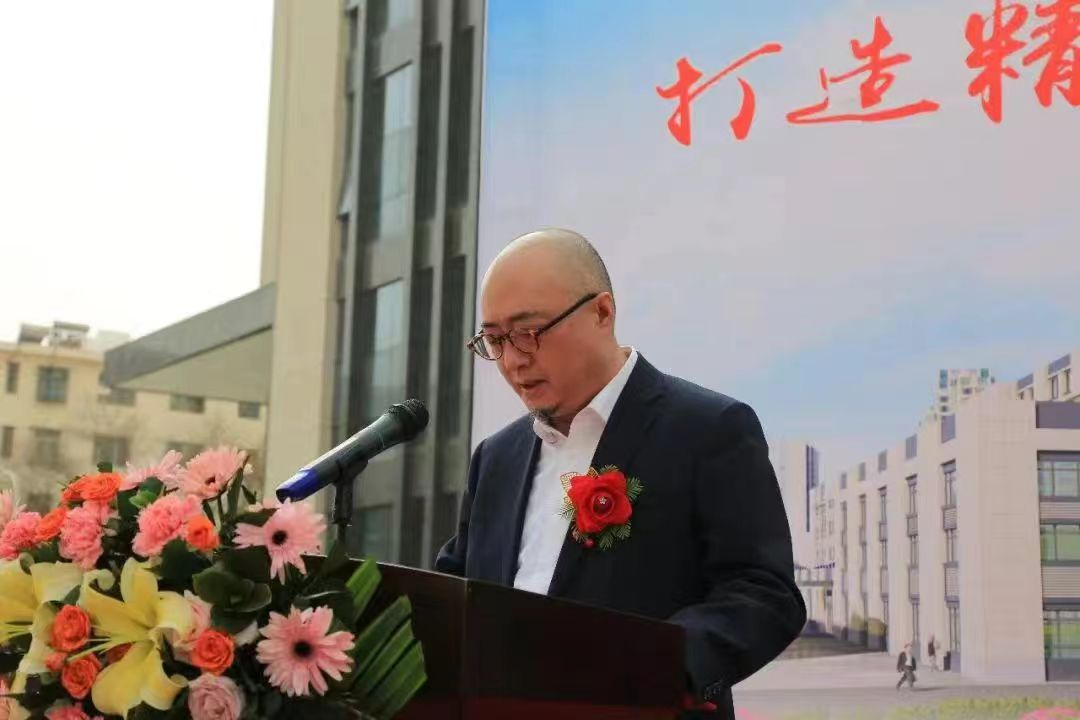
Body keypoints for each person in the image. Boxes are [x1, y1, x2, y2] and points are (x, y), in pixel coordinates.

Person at [435, 229, 807, 719]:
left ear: (602, 312)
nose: (512, 360)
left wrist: (654, 667)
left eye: (529, 332)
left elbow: (764, 592)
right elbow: (455, 589)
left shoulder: (707, 429)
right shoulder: (496, 458)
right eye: (495, 340)